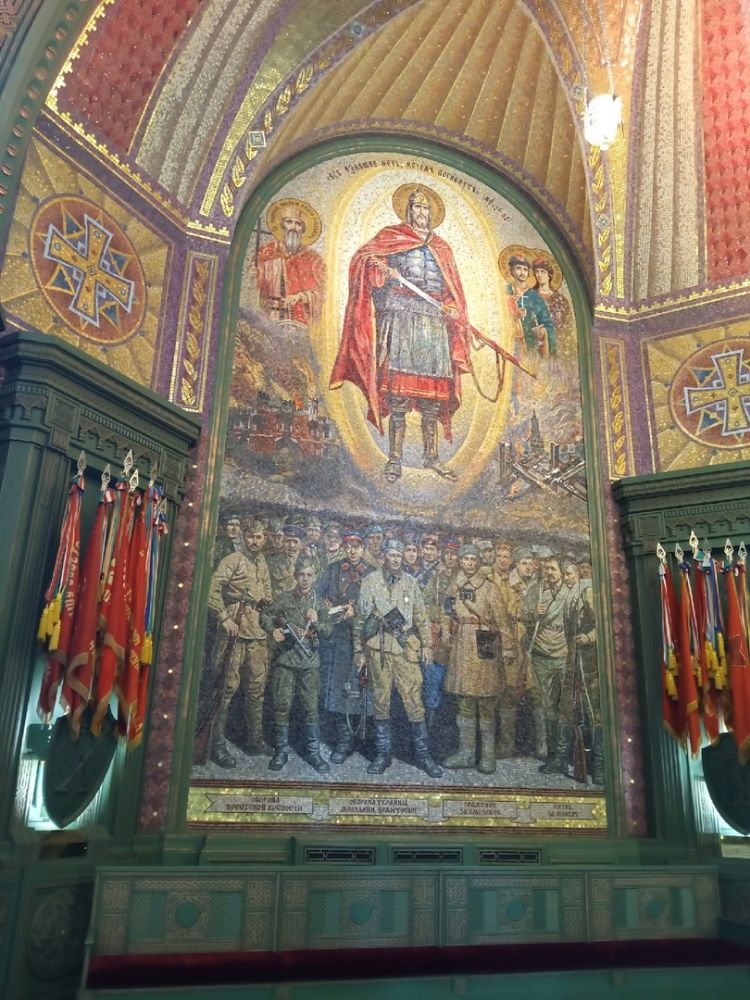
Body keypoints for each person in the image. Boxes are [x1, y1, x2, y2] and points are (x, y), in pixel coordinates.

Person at [330, 184, 471, 482]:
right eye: (416, 207)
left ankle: (431, 456)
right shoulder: (391, 237)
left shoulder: (442, 248)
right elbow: (367, 266)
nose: (421, 212)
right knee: (399, 396)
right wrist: (383, 271)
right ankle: (394, 458)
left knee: (432, 399)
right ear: (408, 211)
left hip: (433, 324)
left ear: (431, 213)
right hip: (401, 317)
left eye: (425, 207)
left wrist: (451, 307)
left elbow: (451, 289)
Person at [353, 539, 442, 777]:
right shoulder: (370, 581)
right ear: (384, 556)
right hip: (378, 648)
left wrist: (426, 644)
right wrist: (358, 651)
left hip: (405, 649)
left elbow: (421, 616)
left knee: (414, 701)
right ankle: (383, 754)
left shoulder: (410, 582)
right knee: (381, 701)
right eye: (391, 555)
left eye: (398, 555)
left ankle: (423, 755)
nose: (395, 559)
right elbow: (360, 619)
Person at [442, 545, 514, 773]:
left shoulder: (489, 587)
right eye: (466, 559)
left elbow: (502, 621)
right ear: (461, 561)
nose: (470, 563)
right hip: (462, 642)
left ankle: (488, 755)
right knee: (464, 699)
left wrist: (508, 647)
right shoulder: (454, 585)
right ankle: (466, 752)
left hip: (485, 639)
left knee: (486, 699)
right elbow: (446, 611)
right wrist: (445, 633)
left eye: (474, 559)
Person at [206, 519, 272, 765]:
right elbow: (212, 589)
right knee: (226, 687)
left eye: (259, 537)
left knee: (256, 689)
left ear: (265, 539)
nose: (255, 541)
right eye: (251, 536)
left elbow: (267, 596)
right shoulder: (233, 559)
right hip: (235, 627)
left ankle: (255, 740)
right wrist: (224, 617)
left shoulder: (262, 562)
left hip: (258, 631)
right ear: (244, 536)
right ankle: (216, 745)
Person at [260, 555, 332, 773]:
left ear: (314, 577)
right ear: (295, 576)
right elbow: (265, 615)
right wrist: (272, 630)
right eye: (301, 575)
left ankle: (314, 752)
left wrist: (317, 621)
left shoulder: (318, 603)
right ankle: (281, 751)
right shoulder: (284, 599)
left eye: (309, 575)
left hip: (309, 662)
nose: (305, 579)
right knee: (282, 705)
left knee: (310, 708)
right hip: (286, 660)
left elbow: (328, 631)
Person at [317, 531, 373, 762]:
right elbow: (318, 596)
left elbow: (377, 605)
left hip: (363, 639)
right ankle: (343, 741)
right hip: (338, 638)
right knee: (340, 688)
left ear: (363, 548)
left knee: (363, 687)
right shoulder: (333, 569)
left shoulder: (372, 573)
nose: (352, 551)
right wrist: (329, 609)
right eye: (348, 546)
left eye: (356, 546)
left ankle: (363, 739)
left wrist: (356, 610)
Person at [522, 556, 569, 774]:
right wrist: (534, 613)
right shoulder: (536, 591)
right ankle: (554, 756)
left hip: (564, 655)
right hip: (541, 654)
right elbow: (525, 617)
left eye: (553, 568)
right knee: (548, 707)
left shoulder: (571, 591)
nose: (549, 573)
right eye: (546, 569)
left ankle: (566, 754)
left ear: (561, 571)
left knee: (566, 708)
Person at [255, 199, 325, 326]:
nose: (293, 227)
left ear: (303, 229)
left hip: (299, 322)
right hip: (268, 319)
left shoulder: (314, 259)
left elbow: (322, 293)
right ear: (282, 225)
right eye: (289, 222)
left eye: (298, 224)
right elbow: (253, 287)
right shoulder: (267, 252)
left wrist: (301, 297)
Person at [503, 253, 555, 356]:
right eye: (518, 268)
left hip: (531, 347)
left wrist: (542, 332)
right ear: (512, 271)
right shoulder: (504, 291)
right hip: (508, 344)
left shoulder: (535, 298)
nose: (522, 272)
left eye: (525, 269)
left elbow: (547, 324)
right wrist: (513, 314)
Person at [532, 257, 572, 349]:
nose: (539, 275)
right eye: (537, 272)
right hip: (535, 342)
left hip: (556, 341)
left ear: (549, 275)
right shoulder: (530, 296)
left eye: (542, 272)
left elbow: (567, 324)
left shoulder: (560, 300)